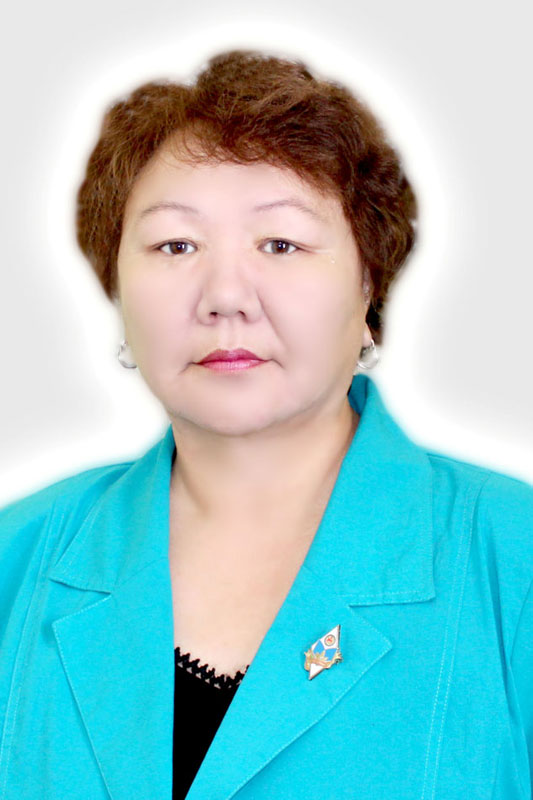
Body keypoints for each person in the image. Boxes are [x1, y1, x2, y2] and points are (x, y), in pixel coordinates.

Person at [0, 48, 532, 800]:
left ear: (368, 282)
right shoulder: (18, 558)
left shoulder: (511, 557)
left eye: (280, 244)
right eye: (175, 245)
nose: (225, 295)